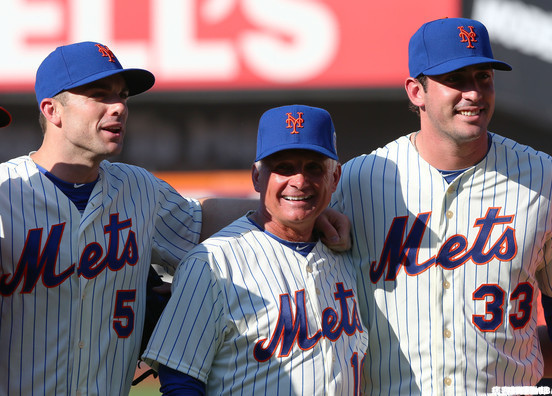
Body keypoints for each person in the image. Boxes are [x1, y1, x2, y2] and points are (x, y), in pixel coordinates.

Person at [0, 43, 349, 396]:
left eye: (122, 96)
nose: (119, 107)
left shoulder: (137, 187)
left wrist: (305, 213)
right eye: (99, 95)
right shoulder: (5, 191)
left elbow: (202, 220)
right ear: (52, 110)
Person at [330, 17, 552, 394]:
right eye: (455, 79)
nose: (473, 93)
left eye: (483, 77)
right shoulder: (359, 181)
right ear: (416, 91)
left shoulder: (542, 177)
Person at [142, 104, 368, 395]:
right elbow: (181, 381)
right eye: (283, 168)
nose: (299, 181)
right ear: (257, 177)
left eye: (313, 167)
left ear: (334, 177)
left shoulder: (348, 253)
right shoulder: (212, 263)